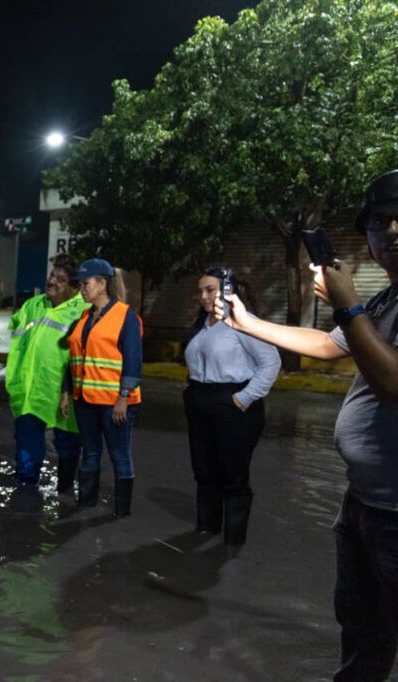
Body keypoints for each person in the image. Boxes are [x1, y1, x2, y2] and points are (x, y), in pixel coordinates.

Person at [216, 169, 398, 681]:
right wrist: (247, 323)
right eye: (381, 222)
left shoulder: (369, 304)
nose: (392, 233)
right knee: (363, 632)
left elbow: (393, 385)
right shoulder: (386, 301)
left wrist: (347, 305)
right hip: (364, 503)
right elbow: (326, 345)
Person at [182, 266, 280, 546]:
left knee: (233, 475)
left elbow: (271, 363)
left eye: (210, 289)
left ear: (228, 291)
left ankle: (233, 539)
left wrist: (243, 398)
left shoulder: (243, 322)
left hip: (234, 405)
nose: (203, 296)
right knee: (204, 470)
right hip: (201, 402)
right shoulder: (203, 325)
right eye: (200, 290)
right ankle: (206, 527)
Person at [61, 258, 142, 517]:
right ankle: (86, 505)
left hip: (114, 403)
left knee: (119, 456)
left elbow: (133, 360)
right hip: (85, 400)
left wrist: (123, 398)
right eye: (80, 285)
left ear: (102, 283)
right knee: (90, 453)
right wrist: (66, 392)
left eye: (85, 284)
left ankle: (122, 511)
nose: (81, 289)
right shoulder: (85, 317)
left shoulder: (125, 315)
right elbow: (73, 358)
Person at [6, 256, 89, 491]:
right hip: (30, 389)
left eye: (61, 280)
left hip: (63, 391)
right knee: (26, 445)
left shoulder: (82, 312)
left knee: (67, 443)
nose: (52, 281)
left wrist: (68, 389)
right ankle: (25, 489)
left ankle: (65, 490)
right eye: (52, 275)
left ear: (74, 289)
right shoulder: (32, 305)